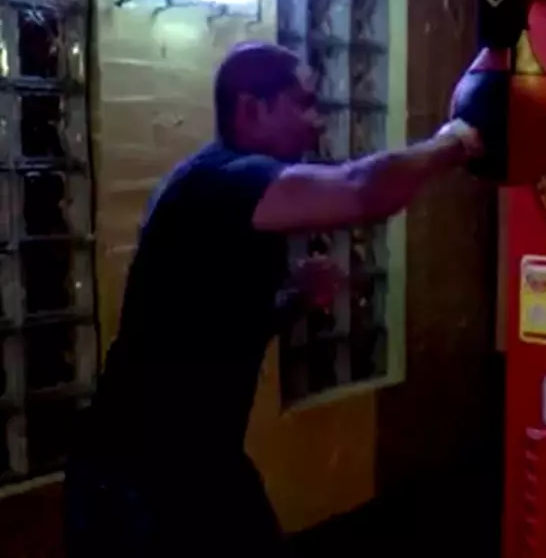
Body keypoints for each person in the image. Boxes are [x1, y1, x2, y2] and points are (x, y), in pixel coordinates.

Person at [63, 42, 484, 557]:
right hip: (139, 474)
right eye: (302, 103)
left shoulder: (219, 188)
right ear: (250, 108)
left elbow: (210, 329)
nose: (317, 123)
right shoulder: (223, 181)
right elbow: (359, 189)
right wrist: (457, 140)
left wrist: (294, 299)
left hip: (192, 463)